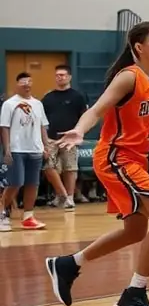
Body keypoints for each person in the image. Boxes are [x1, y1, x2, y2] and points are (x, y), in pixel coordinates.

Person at [44, 22, 149, 306]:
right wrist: (80, 131)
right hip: (116, 158)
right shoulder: (128, 77)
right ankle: (135, 294)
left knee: (135, 230)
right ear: (138, 47)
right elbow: (97, 109)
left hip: (136, 159)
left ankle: (68, 264)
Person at [1, 73, 49, 231]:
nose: (27, 84)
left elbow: (42, 126)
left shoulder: (38, 104)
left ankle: (28, 216)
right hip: (16, 150)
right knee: (15, 183)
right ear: (17, 84)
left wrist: (45, 146)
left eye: (29, 81)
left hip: (35, 150)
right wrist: (7, 148)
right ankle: (1, 213)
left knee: (32, 184)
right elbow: (4, 127)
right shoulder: (9, 104)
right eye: (23, 82)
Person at [41, 64, 88, 209]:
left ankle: (69, 197)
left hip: (70, 139)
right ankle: (60, 194)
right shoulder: (48, 97)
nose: (59, 77)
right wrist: (44, 138)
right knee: (49, 167)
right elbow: (41, 119)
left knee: (70, 168)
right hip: (51, 138)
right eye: (57, 75)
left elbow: (85, 117)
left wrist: (79, 134)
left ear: (69, 77)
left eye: (62, 75)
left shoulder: (78, 96)